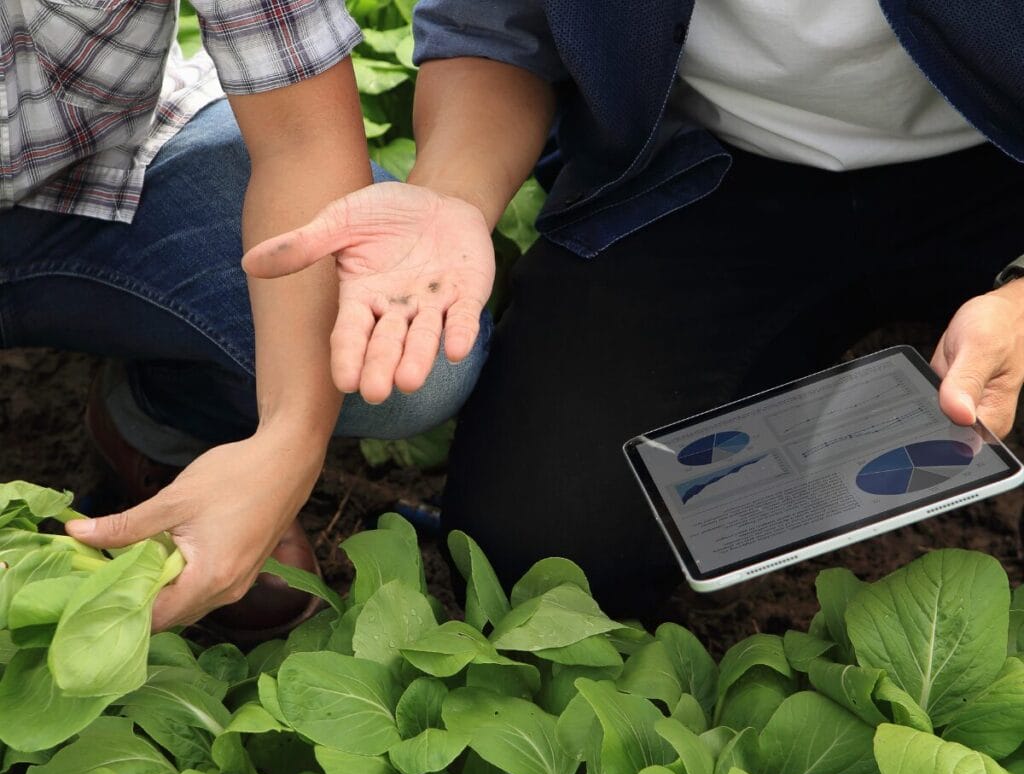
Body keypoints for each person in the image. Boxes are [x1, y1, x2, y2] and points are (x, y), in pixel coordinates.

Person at [250, 0, 1024, 618]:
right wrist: (451, 194)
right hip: (714, 168)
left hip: (1000, 166)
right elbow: (496, 30)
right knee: (545, 554)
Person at [0, 0, 491, 641]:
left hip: (89, 166)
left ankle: (165, 424)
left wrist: (288, 441)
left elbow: (300, 138)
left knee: (403, 355)